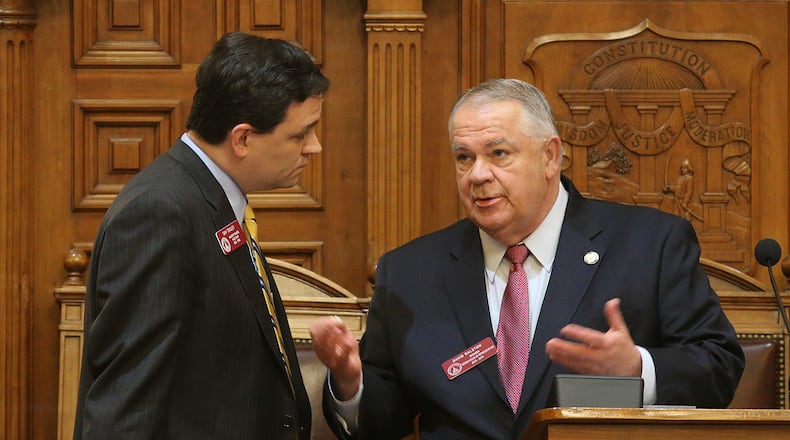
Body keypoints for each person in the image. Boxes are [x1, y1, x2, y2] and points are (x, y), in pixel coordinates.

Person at [310, 78, 744, 439]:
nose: (477, 175)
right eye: (464, 158)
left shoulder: (651, 244)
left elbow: (719, 367)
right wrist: (351, 383)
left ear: (550, 156)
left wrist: (637, 368)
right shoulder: (410, 271)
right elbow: (383, 422)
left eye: (498, 154)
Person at [74, 32, 329, 439]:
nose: (313, 147)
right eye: (300, 134)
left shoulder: (208, 198)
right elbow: (126, 404)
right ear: (243, 138)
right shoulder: (160, 213)